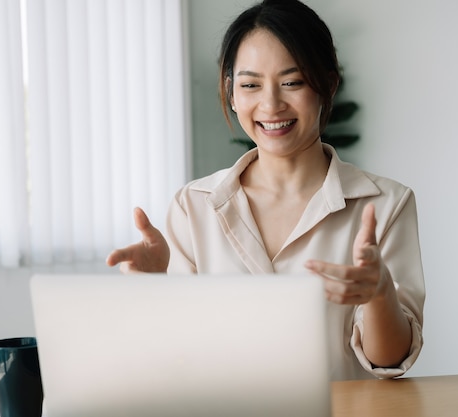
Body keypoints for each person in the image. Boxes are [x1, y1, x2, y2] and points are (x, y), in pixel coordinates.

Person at [106, 0, 425, 381]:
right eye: (250, 85)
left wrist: (379, 291)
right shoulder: (194, 207)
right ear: (231, 92)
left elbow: (389, 361)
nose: (271, 105)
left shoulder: (385, 204)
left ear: (329, 83)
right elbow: (178, 360)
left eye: (292, 82)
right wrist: (154, 291)